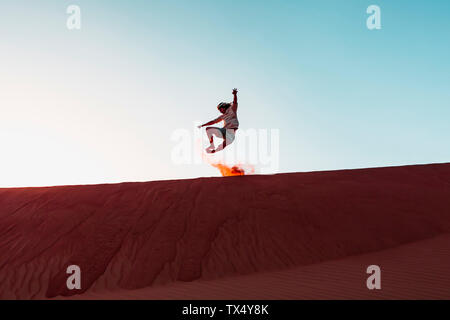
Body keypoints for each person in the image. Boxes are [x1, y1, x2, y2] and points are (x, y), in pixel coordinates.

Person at [198, 88, 239, 153]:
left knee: (223, 145)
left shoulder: (232, 109)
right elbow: (213, 121)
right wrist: (203, 125)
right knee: (208, 129)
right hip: (224, 131)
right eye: (219, 110)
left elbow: (235, 101)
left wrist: (235, 94)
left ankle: (215, 149)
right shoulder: (222, 116)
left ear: (224, 106)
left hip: (231, 134)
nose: (220, 111)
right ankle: (212, 145)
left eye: (221, 109)